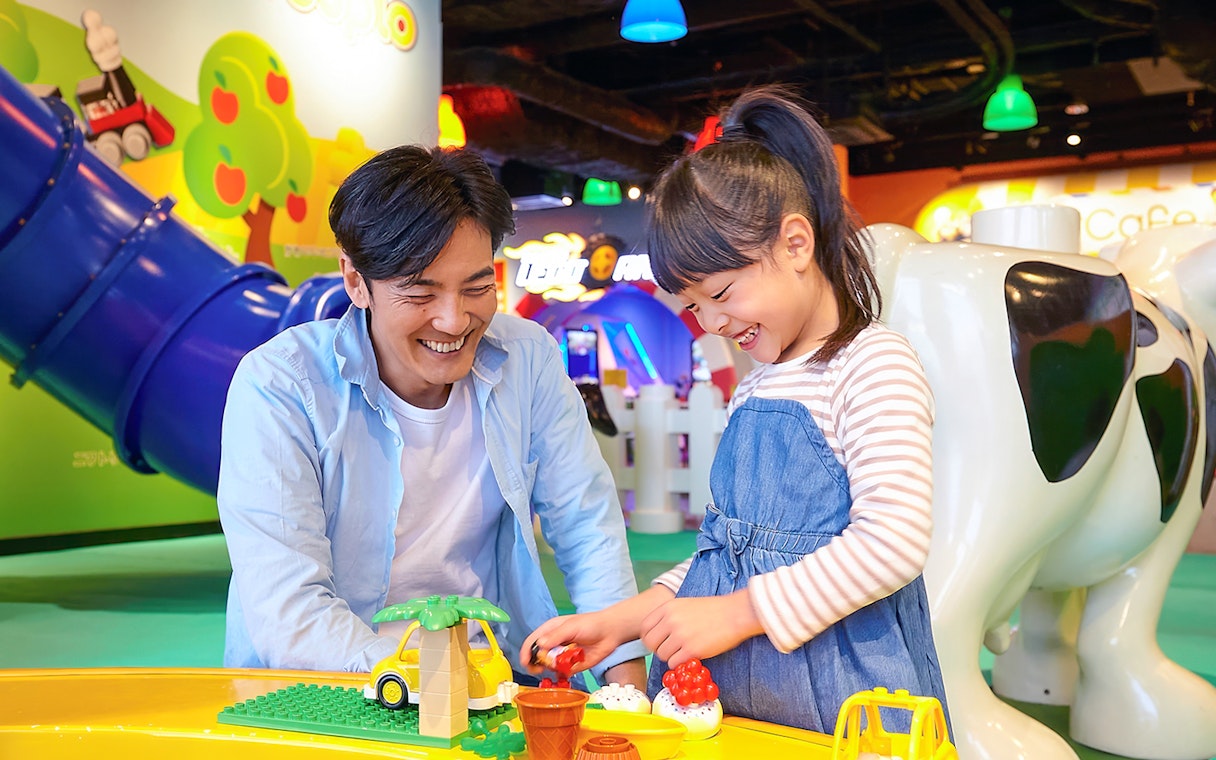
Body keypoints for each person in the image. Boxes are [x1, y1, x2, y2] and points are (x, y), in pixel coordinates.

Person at [521, 86, 949, 733]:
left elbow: (892, 542)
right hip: (735, 701)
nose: (713, 322)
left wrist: (738, 613)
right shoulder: (758, 385)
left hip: (842, 708)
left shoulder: (871, 363)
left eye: (721, 292)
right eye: (693, 307)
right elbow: (728, 553)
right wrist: (625, 621)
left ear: (796, 244)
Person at [217, 145, 647, 688]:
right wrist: (429, 684)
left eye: (476, 287)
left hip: (488, 678)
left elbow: (587, 524)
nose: (453, 320)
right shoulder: (281, 385)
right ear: (355, 281)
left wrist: (626, 689)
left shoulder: (527, 357)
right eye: (420, 291)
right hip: (328, 684)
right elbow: (287, 604)